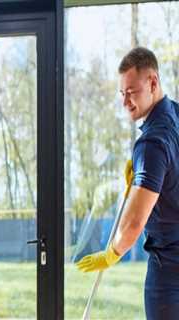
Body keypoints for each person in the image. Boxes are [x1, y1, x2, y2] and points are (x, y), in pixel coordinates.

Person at [76, 47, 179, 319]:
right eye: (122, 94)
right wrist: (146, 182)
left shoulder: (151, 143)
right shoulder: (176, 118)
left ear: (153, 83)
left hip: (169, 276)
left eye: (131, 92)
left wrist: (111, 254)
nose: (125, 102)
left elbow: (134, 224)